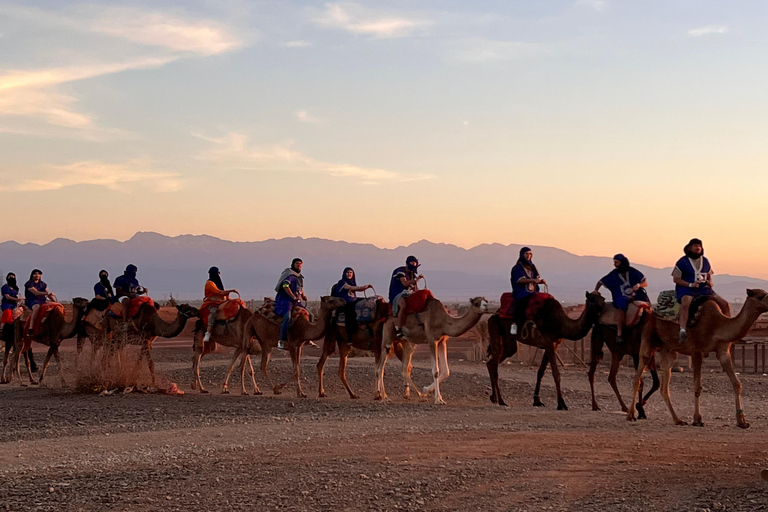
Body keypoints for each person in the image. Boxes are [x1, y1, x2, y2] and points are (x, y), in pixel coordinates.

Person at [672, 238, 730, 341]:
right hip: (687, 289)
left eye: (699, 246)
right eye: (695, 245)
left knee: (724, 303)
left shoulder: (705, 261)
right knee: (686, 303)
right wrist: (690, 284)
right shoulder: (682, 262)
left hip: (704, 289)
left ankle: (728, 326)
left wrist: (710, 282)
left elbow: (709, 275)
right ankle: (682, 329)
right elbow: (676, 279)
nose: (698, 247)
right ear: (689, 248)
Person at [594, 254, 649, 343]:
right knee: (621, 306)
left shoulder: (633, 272)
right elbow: (601, 282)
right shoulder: (614, 274)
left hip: (637, 295)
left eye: (617, 262)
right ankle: (619, 333)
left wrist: (639, 285)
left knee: (646, 306)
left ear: (622, 262)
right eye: (614, 262)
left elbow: (645, 283)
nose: (615, 264)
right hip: (621, 297)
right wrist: (596, 290)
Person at [509, 247, 546, 335]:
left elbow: (536, 279)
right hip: (521, 291)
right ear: (522, 255)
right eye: (527, 254)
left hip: (533, 291)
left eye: (530, 254)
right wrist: (532, 280)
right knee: (523, 302)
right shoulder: (517, 268)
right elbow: (520, 280)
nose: (529, 256)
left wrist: (540, 281)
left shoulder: (532, 267)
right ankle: (515, 324)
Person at [331, 267, 373, 339]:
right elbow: (352, 288)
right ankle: (350, 334)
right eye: (347, 272)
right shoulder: (342, 282)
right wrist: (364, 287)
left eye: (351, 273)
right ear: (344, 274)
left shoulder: (352, 282)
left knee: (367, 302)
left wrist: (364, 288)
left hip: (352, 300)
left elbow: (356, 289)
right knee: (350, 311)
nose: (349, 274)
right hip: (344, 302)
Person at [274, 258, 307, 350]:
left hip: (296, 301)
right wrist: (293, 296)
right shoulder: (289, 275)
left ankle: (306, 338)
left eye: (300, 264)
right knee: (287, 317)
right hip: (285, 300)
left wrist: (303, 296)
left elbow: (300, 288)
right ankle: (282, 340)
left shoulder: (299, 277)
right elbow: (285, 286)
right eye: (297, 263)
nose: (299, 265)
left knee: (308, 315)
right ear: (293, 264)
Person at [388, 256, 422, 339]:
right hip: (396, 293)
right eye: (412, 263)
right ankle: (399, 329)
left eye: (415, 264)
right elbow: (404, 283)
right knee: (403, 305)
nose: (414, 265)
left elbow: (412, 286)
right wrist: (415, 280)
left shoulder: (412, 274)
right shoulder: (400, 271)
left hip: (407, 293)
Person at [202, 267, 238, 343]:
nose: (219, 274)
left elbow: (224, 293)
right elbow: (219, 292)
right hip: (213, 303)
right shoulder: (209, 284)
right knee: (213, 313)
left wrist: (230, 300)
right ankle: (208, 333)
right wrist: (231, 291)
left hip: (222, 302)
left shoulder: (219, 283)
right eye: (218, 272)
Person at [24, 269, 56, 335]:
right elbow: (36, 293)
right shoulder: (29, 284)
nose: (37, 275)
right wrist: (47, 294)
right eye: (35, 274)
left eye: (38, 274)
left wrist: (55, 302)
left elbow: (47, 293)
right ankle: (31, 328)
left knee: (55, 307)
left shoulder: (43, 284)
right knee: (36, 307)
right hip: (32, 300)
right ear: (32, 275)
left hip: (42, 300)